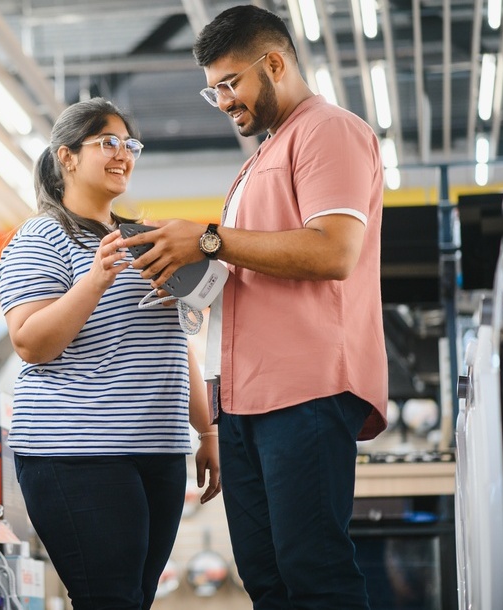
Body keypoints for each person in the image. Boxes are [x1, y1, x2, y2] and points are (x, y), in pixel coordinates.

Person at [119, 6, 389, 609]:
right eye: (211, 89)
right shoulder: (257, 162)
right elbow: (254, 265)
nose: (221, 101)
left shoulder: (328, 131)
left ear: (274, 63)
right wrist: (186, 266)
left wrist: (208, 238)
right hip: (243, 400)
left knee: (313, 571)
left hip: (306, 389)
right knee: (267, 580)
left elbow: (334, 251)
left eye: (230, 83)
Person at [0, 97, 221, 610]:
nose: (124, 154)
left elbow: (171, 345)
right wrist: (95, 279)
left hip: (157, 450)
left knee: (135, 599)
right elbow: (31, 342)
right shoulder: (41, 238)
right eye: (107, 142)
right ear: (67, 157)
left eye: (130, 144)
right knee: (110, 599)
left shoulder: (144, 239)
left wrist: (207, 431)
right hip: (76, 452)